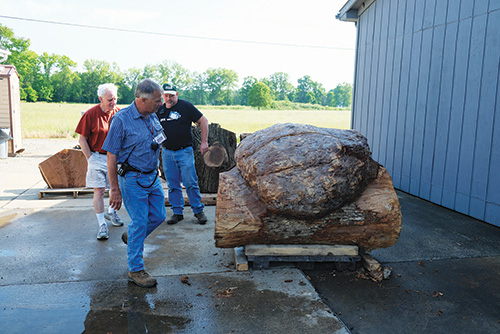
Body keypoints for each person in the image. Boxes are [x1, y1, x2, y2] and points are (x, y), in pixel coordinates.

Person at [103, 79, 167, 288]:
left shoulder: (152, 115)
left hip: (152, 177)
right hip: (132, 179)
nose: (161, 104)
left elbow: (158, 142)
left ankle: (131, 236)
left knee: (158, 216)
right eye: (157, 101)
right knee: (140, 221)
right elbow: (111, 155)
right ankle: (136, 269)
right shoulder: (121, 120)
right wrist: (114, 189)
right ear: (142, 100)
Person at [75, 83, 124, 241]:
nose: (113, 102)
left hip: (114, 157)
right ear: (100, 99)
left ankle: (112, 212)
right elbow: (82, 139)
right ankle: (102, 224)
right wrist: (90, 158)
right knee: (99, 190)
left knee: (116, 188)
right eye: (110, 99)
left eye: (115, 99)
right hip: (97, 156)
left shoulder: (118, 113)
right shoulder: (90, 114)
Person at [157, 83, 209, 225]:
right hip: (167, 153)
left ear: (177, 94)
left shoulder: (185, 107)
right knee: (173, 184)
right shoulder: (159, 110)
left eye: (172, 96)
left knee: (190, 182)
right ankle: (177, 212)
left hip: (184, 151)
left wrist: (204, 142)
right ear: (163, 96)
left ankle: (198, 211)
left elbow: (203, 121)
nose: (169, 98)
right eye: (166, 96)